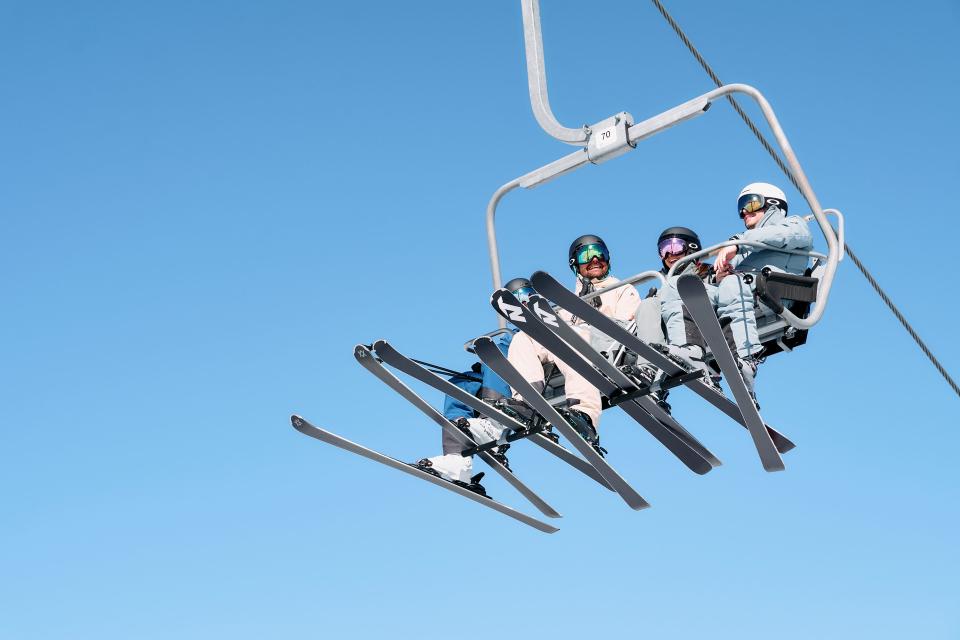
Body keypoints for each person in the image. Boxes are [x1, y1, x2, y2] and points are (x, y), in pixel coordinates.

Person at [505, 235, 641, 450]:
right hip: (569, 347)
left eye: (600, 253)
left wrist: (593, 313)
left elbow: (628, 327)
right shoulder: (565, 300)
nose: (595, 259)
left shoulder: (623, 289)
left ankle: (585, 414)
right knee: (523, 337)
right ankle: (526, 402)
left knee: (570, 336)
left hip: (608, 347)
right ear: (575, 264)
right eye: (586, 255)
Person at [682, 183, 813, 399]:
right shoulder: (746, 245)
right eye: (741, 208)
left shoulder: (793, 225)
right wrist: (718, 277)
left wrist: (738, 244)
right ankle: (690, 353)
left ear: (771, 204)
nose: (744, 212)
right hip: (743, 289)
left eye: (749, 203)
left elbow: (779, 235)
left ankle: (746, 358)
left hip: (775, 291)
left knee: (733, 283)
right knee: (689, 291)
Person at [413, 279, 533, 487]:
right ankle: (457, 459)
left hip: (534, 374)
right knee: (460, 383)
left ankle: (495, 424)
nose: (521, 304)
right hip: (510, 376)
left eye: (526, 296)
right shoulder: (511, 335)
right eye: (514, 302)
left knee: (497, 356)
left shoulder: (548, 325)